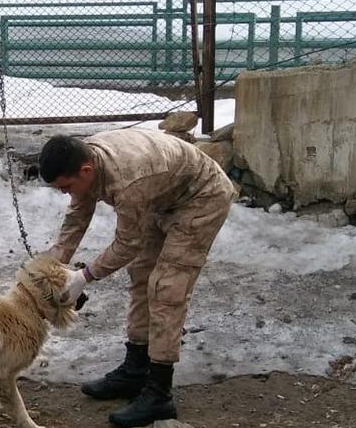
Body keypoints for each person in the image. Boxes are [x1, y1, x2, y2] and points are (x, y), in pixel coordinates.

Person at [39, 129, 237, 428]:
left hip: (202, 197)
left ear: (86, 170)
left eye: (66, 187)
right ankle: (135, 371)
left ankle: (159, 393)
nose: (65, 194)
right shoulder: (86, 160)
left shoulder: (128, 181)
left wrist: (83, 277)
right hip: (162, 196)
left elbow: (127, 244)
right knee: (142, 275)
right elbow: (77, 216)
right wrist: (53, 265)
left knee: (167, 287)